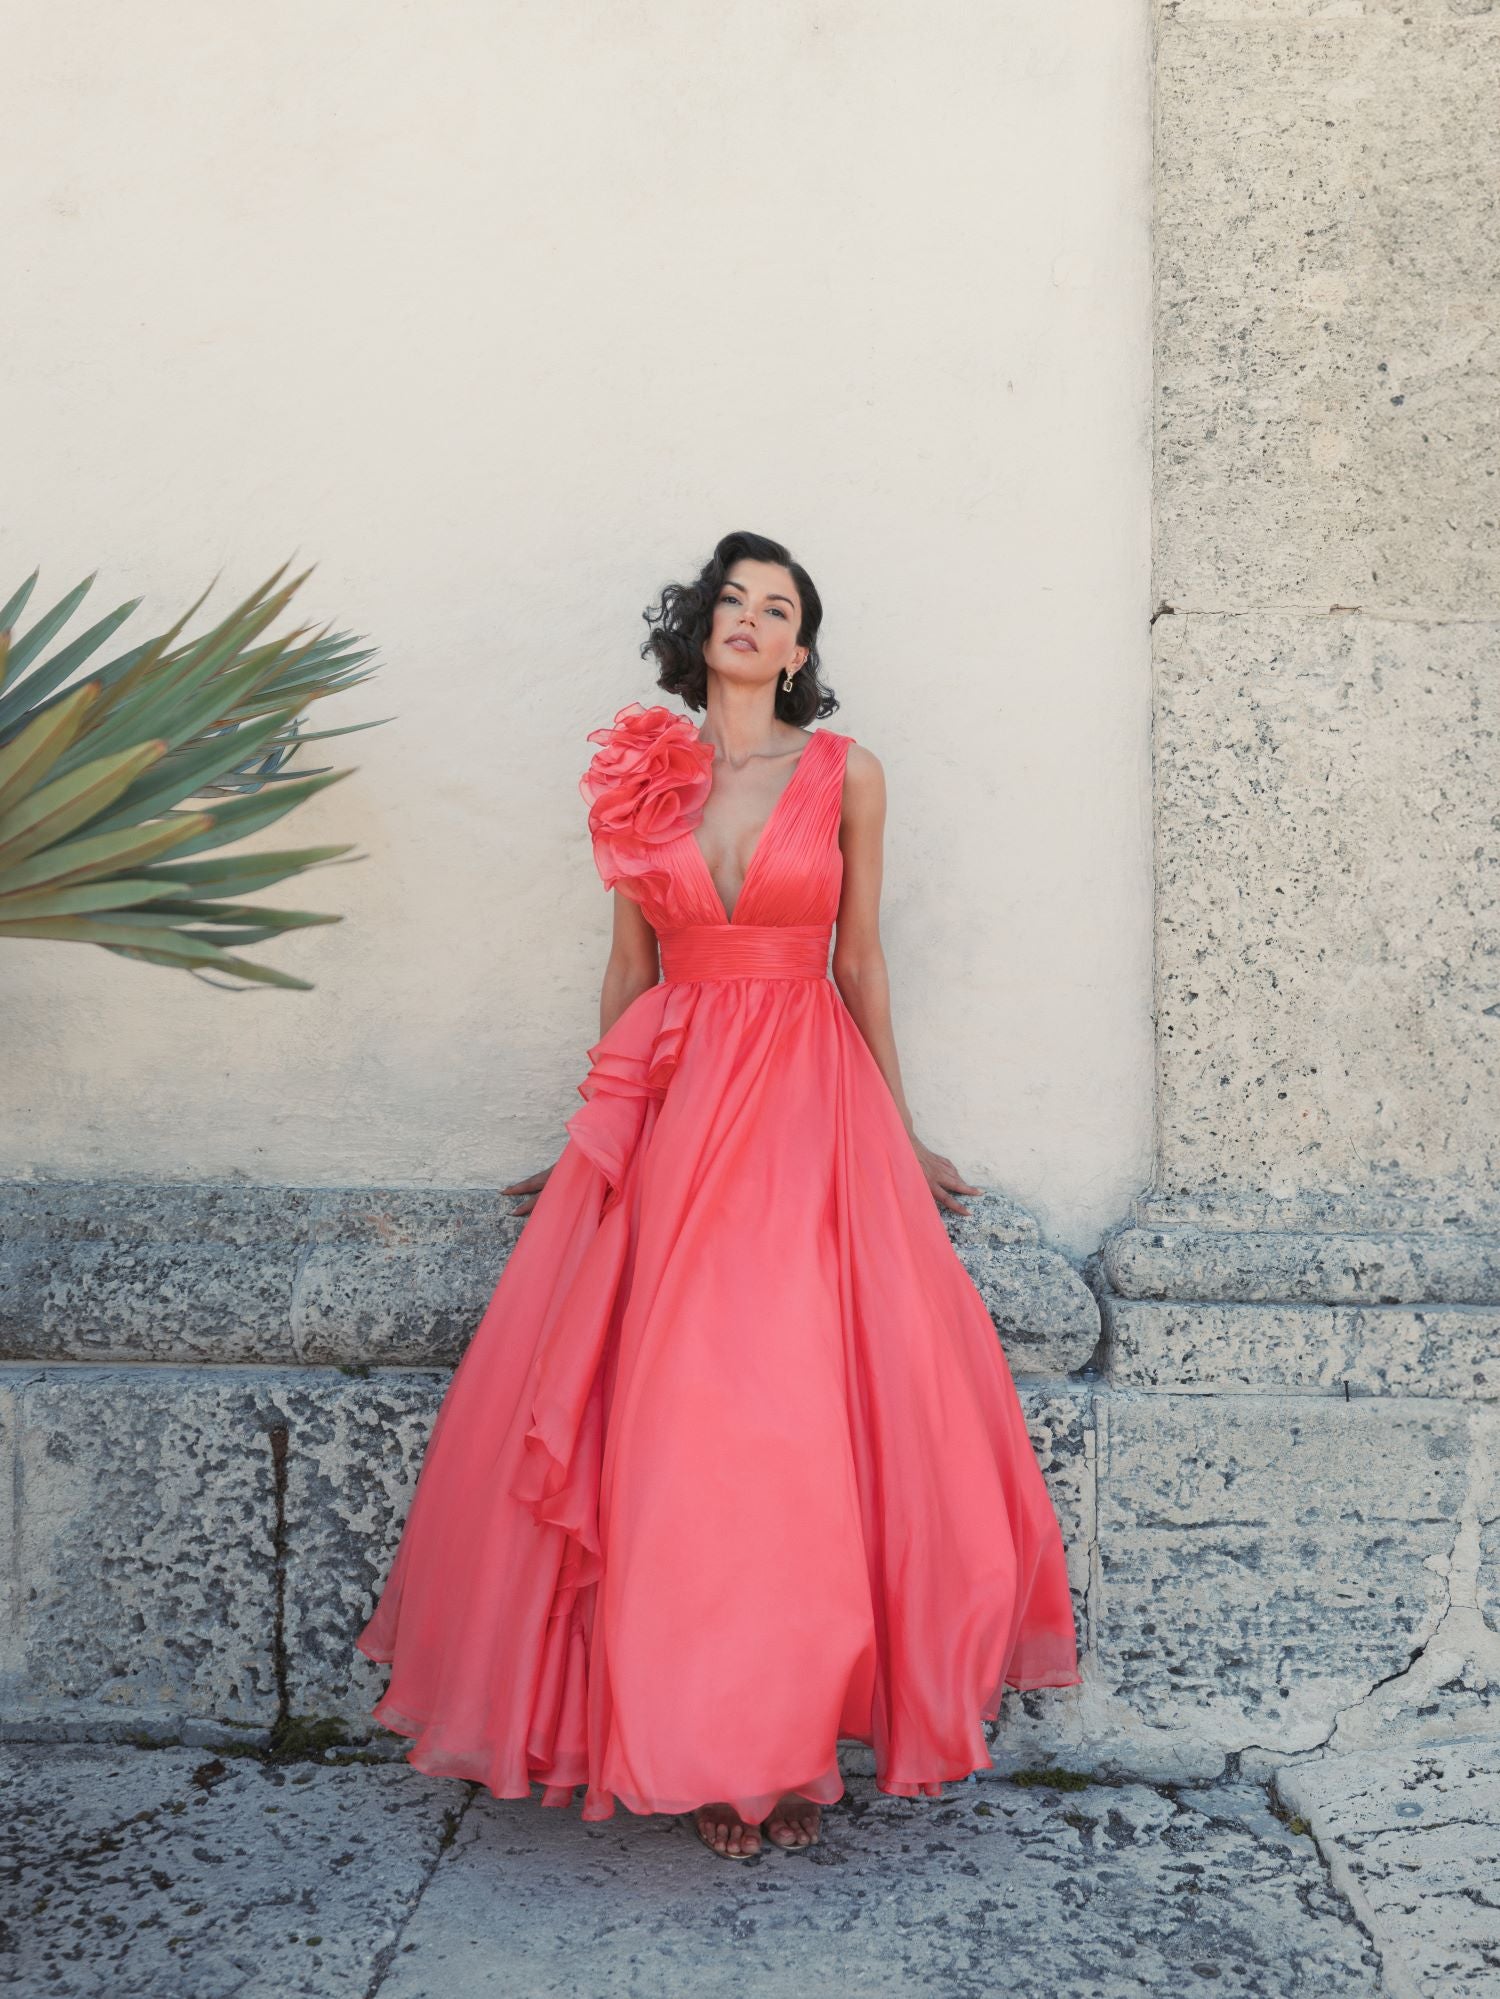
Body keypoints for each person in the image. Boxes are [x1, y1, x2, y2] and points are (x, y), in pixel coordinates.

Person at [356, 529, 1082, 1860]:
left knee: (799, 1426)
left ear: (803, 650)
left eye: (780, 608)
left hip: (813, 1109)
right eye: (733, 600)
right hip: (685, 1116)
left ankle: (790, 1752)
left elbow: (861, 962)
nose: (752, 620)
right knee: (690, 1434)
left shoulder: (848, 774)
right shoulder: (643, 779)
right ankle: (711, 1751)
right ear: (700, 630)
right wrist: (594, 1132)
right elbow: (628, 971)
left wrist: (901, 1135)